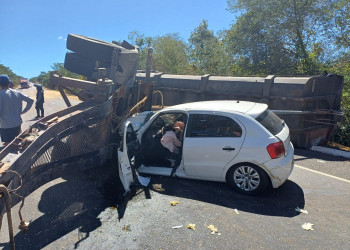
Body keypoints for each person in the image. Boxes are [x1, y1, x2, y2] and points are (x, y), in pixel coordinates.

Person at [0, 74, 34, 146]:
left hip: (5, 125)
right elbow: (31, 100)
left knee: (8, 144)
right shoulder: (17, 93)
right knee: (17, 140)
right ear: (9, 83)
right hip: (17, 123)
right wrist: (24, 111)